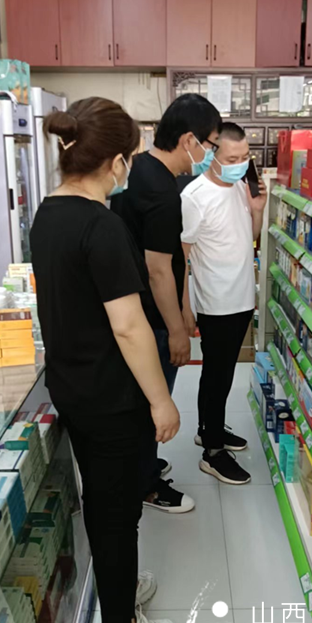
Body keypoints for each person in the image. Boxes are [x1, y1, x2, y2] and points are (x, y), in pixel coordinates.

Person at [30, 97, 180, 623]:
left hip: (73, 385)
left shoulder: (48, 213)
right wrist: (161, 400)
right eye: (131, 158)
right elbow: (128, 325)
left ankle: (119, 584)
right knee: (116, 509)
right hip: (112, 396)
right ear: (116, 161)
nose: (131, 167)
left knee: (104, 497)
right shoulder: (102, 225)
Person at [111, 93, 222, 511]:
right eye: (210, 144)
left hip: (135, 306)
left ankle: (143, 466)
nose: (210, 154)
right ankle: (146, 485)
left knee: (139, 399)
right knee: (153, 402)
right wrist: (176, 329)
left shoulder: (138, 169)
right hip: (152, 317)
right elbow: (158, 268)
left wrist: (184, 306)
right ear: (189, 140)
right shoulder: (162, 190)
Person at [181, 123, 267, 484]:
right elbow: (181, 256)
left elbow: (250, 238)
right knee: (217, 376)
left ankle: (209, 430)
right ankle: (212, 453)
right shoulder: (194, 196)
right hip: (216, 303)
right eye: (232, 159)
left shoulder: (239, 188)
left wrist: (257, 210)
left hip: (242, 296)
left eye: (245, 157)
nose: (240, 164)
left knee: (223, 373)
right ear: (212, 155)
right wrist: (185, 308)